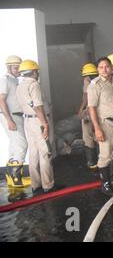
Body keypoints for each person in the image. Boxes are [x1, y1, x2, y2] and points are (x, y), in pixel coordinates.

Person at [87, 57, 113, 197]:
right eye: (101, 67)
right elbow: (92, 108)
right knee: (105, 155)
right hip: (105, 124)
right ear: (97, 69)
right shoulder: (95, 85)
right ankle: (105, 185)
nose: (104, 70)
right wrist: (97, 128)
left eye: (106, 66)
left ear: (111, 68)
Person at [16, 60, 55, 193]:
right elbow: (38, 106)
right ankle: (48, 185)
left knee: (33, 153)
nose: (38, 73)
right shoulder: (34, 85)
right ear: (33, 71)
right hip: (38, 121)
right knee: (45, 152)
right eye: (37, 71)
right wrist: (45, 124)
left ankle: (36, 184)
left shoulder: (20, 86)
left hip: (28, 121)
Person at [0, 55, 28, 187]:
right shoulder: (5, 79)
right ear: (9, 68)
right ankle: (15, 177)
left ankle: (12, 177)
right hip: (11, 116)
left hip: (17, 116)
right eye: (16, 68)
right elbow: (1, 100)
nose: (18, 70)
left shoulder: (15, 80)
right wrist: (9, 120)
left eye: (19, 68)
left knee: (14, 145)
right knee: (22, 145)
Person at [78, 63, 99, 170]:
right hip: (98, 111)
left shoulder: (88, 79)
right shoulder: (100, 79)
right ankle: (101, 160)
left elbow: (86, 95)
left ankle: (92, 161)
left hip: (89, 111)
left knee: (88, 135)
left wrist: (81, 109)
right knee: (98, 134)